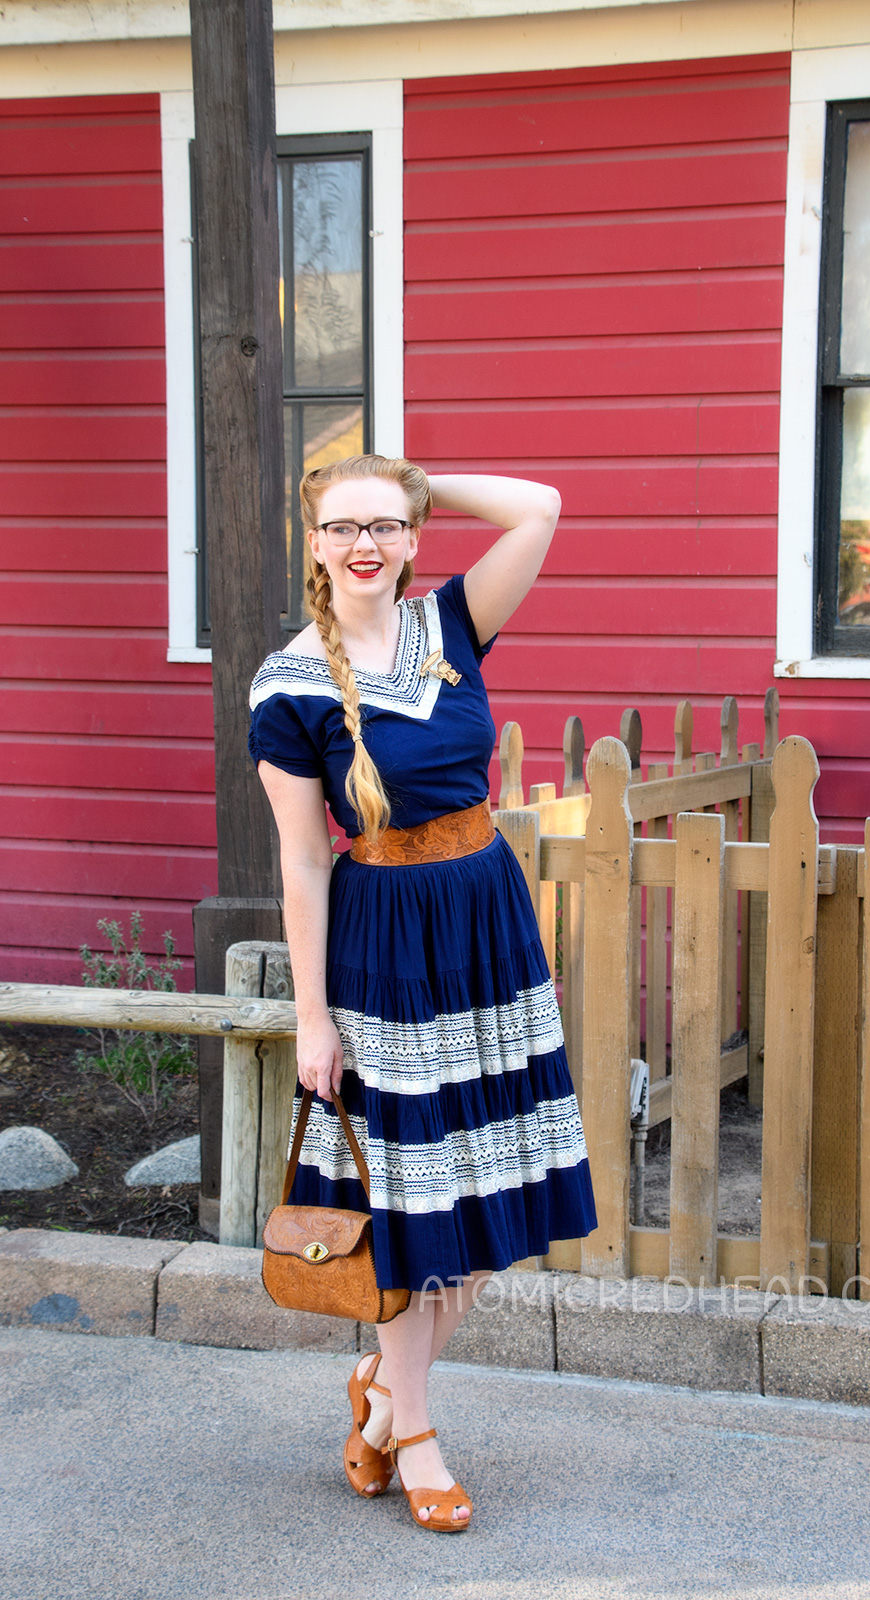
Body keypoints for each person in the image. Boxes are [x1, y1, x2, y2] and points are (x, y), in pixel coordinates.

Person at [248, 456, 596, 1533]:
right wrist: (312, 1017)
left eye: (386, 526)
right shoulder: (287, 684)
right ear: (312, 544)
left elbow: (539, 505)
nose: (365, 543)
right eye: (342, 526)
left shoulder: (450, 623)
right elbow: (304, 862)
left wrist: (415, 479)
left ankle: (382, 1394)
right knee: (416, 1199)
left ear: (411, 537)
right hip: (384, 950)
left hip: (484, 927)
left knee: (491, 1200)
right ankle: (419, 1428)